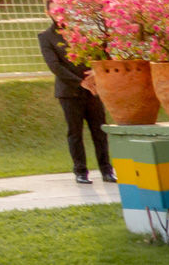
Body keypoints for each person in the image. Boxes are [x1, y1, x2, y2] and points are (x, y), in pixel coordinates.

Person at [38, 11, 115, 186]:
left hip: (93, 90)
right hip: (69, 92)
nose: (59, 12)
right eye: (54, 8)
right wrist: (80, 83)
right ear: (49, 12)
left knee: (99, 131)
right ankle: (80, 172)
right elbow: (54, 65)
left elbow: (102, 53)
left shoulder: (83, 32)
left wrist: (96, 73)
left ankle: (106, 170)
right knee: (75, 133)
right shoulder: (46, 36)